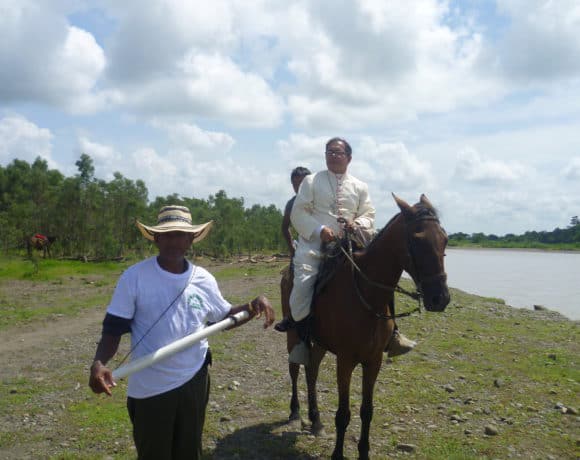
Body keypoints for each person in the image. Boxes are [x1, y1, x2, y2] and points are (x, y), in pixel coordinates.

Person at [88, 205, 275, 460]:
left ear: (191, 239)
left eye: (181, 235)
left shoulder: (204, 279)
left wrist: (252, 306)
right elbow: (112, 330)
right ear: (157, 238)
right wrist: (99, 364)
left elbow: (224, 316)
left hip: (194, 380)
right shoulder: (134, 277)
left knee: (189, 452)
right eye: (168, 234)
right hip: (150, 387)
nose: (174, 241)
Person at [281, 137, 416, 364]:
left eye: (338, 152)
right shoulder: (311, 182)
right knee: (303, 283)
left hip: (353, 243)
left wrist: (357, 225)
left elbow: (369, 214)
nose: (333, 155)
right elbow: (298, 213)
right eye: (329, 152)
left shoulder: (360, 186)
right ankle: (303, 339)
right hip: (316, 245)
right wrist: (320, 229)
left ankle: (392, 333)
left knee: (381, 279)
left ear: (349, 157)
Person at [281, 166, 312, 259]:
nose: (299, 187)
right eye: (295, 184)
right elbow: (285, 227)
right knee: (294, 269)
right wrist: (292, 248)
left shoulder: (321, 199)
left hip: (327, 242)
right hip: (304, 246)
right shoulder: (291, 204)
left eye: (302, 184)